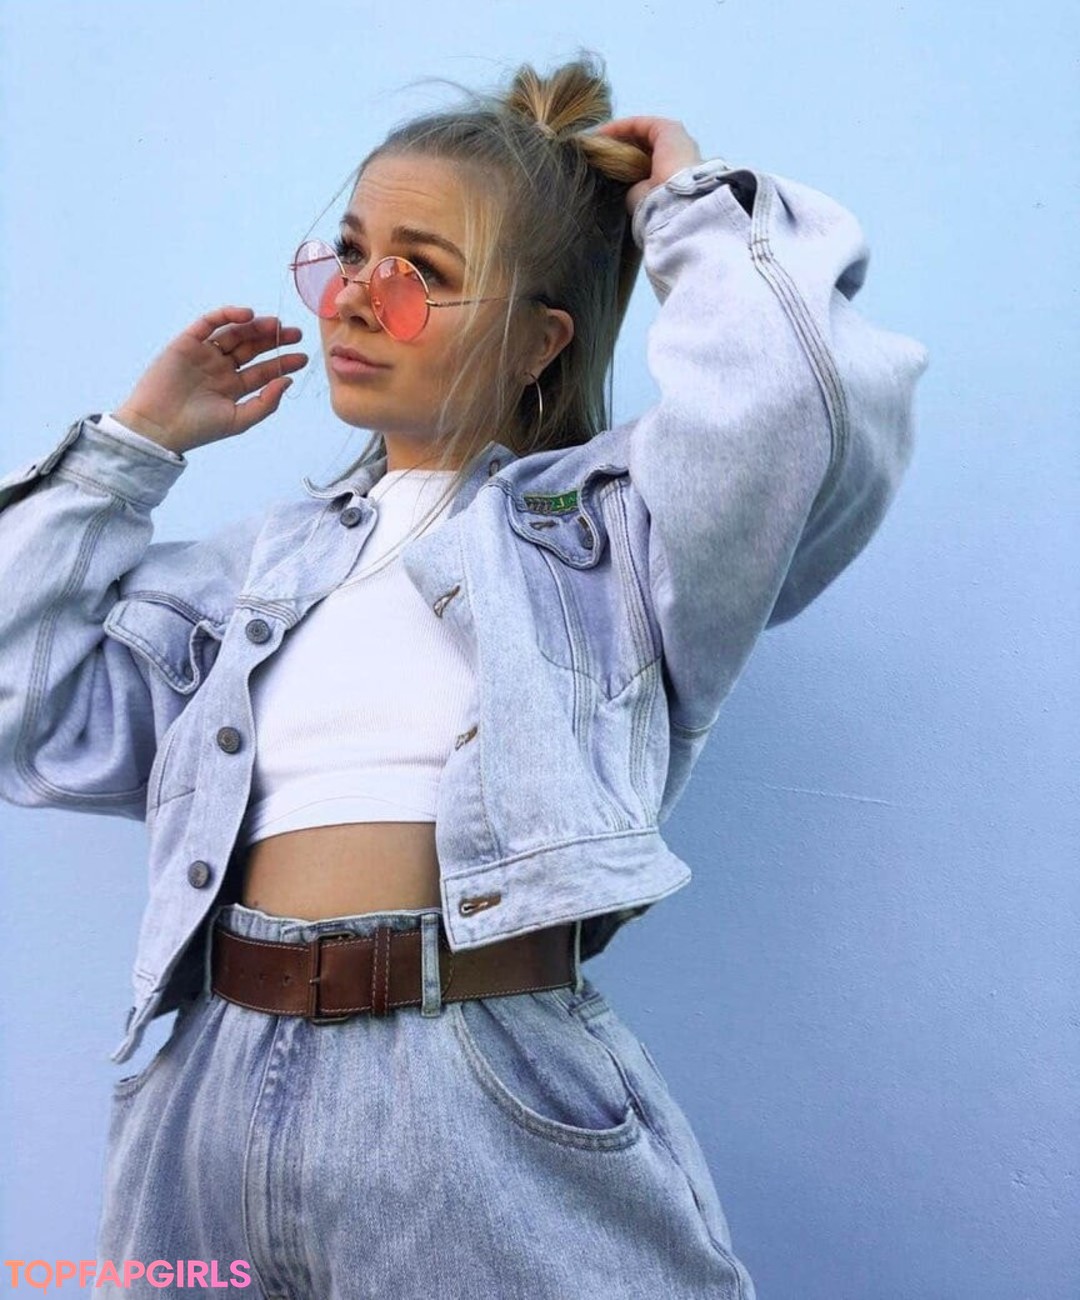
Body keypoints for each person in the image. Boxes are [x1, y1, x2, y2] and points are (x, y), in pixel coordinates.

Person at [0, 52, 928, 1300]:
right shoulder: (243, 574)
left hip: (468, 1092)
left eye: (420, 273)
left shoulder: (616, 538)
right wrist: (131, 450)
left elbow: (786, 409)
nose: (352, 299)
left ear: (541, 338)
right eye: (349, 255)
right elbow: (24, 701)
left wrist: (694, 212)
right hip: (202, 1093)